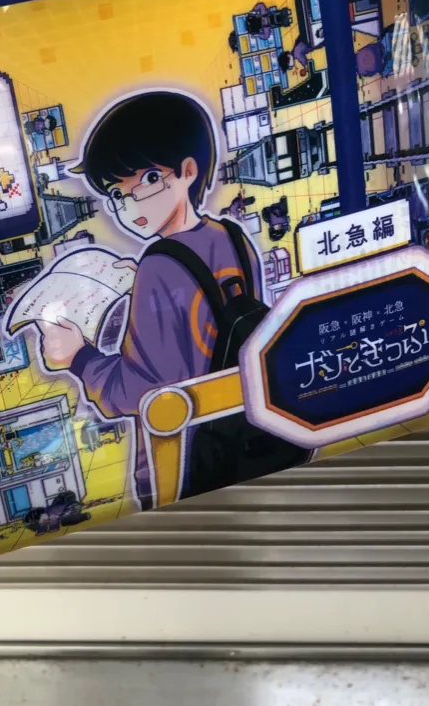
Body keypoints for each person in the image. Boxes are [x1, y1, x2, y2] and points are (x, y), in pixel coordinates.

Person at [36, 90, 308, 509]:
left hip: (184, 466)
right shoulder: (232, 236)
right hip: (253, 434)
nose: (128, 204)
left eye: (147, 180)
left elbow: (141, 393)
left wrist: (77, 357)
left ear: (188, 171)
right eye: (116, 194)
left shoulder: (159, 267)